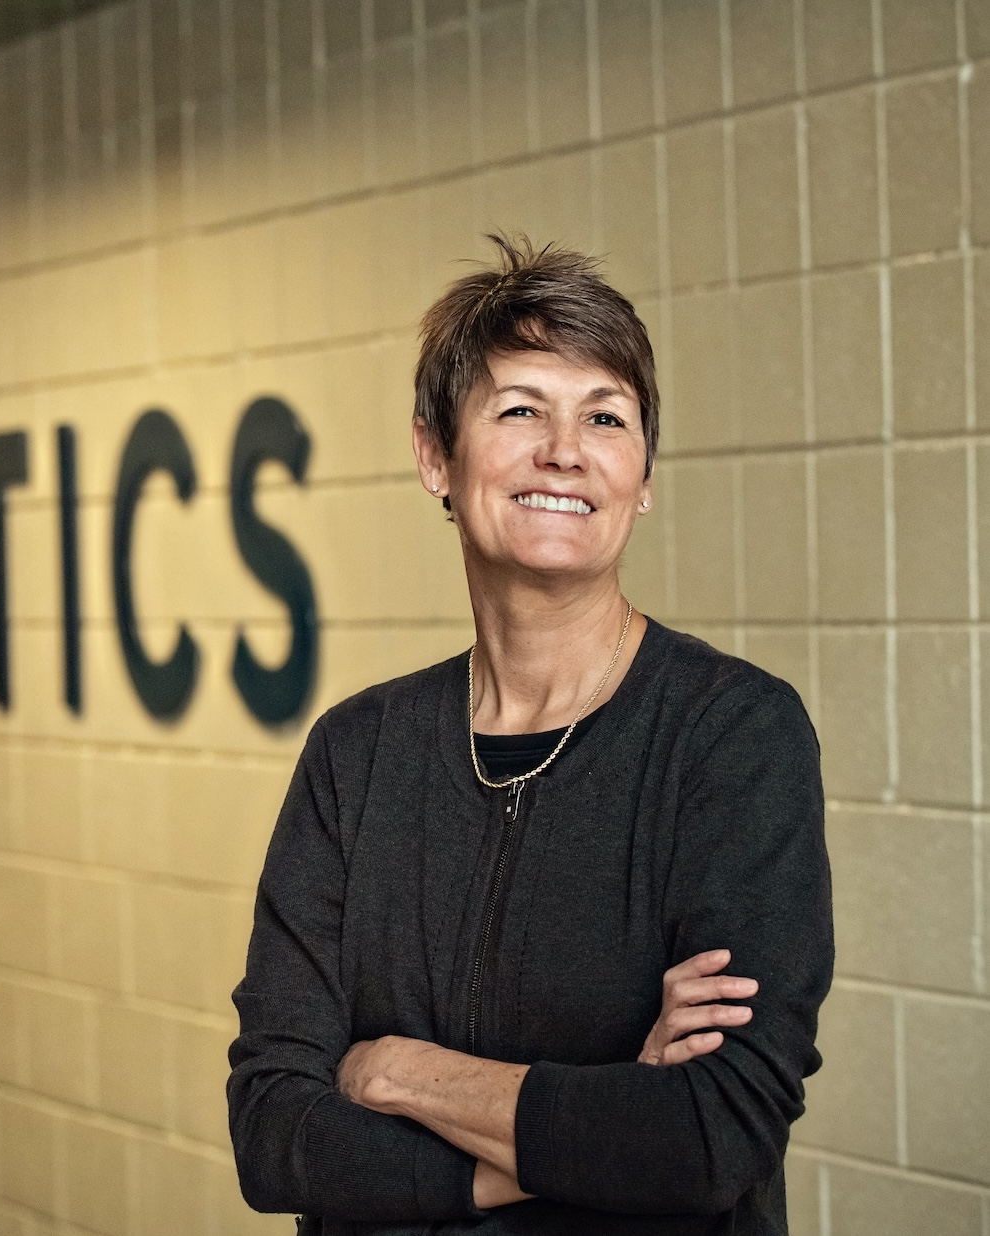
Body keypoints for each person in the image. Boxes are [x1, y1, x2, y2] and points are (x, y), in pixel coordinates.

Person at [227, 236, 832, 1234]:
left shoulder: (732, 739)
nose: (566, 449)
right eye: (519, 411)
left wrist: (398, 1070)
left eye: (606, 416)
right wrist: (576, 1133)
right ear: (436, 457)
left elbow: (706, 1137)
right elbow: (274, 1134)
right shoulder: (356, 757)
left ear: (640, 478)